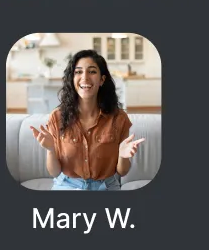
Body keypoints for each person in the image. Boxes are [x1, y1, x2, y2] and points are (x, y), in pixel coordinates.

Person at [30, 51, 144, 191]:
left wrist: (122, 155)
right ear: (72, 78)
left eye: (92, 71)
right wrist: (51, 149)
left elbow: (122, 172)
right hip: (67, 185)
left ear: (102, 80)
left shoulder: (119, 118)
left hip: (106, 186)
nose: (85, 77)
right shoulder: (57, 117)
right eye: (78, 72)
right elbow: (54, 172)